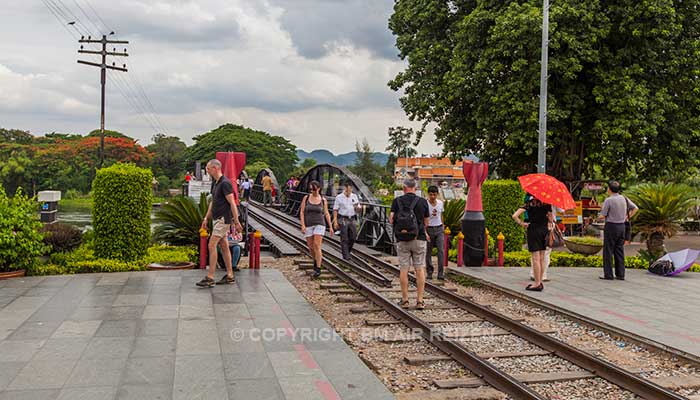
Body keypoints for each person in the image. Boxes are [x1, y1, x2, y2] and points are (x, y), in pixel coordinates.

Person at [197, 159, 243, 288]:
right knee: (224, 246)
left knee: (212, 245)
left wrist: (236, 221)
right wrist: (206, 218)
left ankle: (210, 277)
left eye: (208, 168)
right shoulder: (215, 183)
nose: (207, 170)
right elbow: (213, 202)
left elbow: (232, 203)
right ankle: (230, 275)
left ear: (216, 168)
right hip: (217, 219)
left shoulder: (225, 183)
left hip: (223, 219)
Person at [390, 178, 430, 310]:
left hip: (402, 239)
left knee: (404, 269)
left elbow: (391, 220)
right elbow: (426, 223)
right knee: (419, 269)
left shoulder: (397, 201)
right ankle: (419, 300)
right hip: (419, 238)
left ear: (404, 188)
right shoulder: (423, 202)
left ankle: (405, 300)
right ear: (415, 188)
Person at [597, 181, 638, 280]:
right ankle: (620, 274)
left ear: (609, 189)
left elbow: (603, 216)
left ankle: (609, 275)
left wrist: (598, 216)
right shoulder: (624, 198)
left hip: (611, 227)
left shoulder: (608, 200)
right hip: (621, 227)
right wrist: (627, 218)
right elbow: (636, 208)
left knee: (608, 251)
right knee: (619, 250)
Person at [512, 194, 553, 291]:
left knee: (535, 259)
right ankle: (540, 281)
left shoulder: (529, 204)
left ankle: (537, 283)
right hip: (544, 231)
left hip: (533, 231)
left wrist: (522, 223)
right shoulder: (547, 204)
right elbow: (550, 219)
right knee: (542, 258)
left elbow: (514, 216)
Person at [300, 180, 333, 278]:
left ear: (319, 189)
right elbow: (302, 212)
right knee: (310, 247)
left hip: (320, 224)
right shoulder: (306, 198)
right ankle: (315, 260)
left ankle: (318, 268)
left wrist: (330, 226)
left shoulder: (323, 200)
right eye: (310, 189)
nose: (312, 191)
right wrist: (302, 225)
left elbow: (326, 213)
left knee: (316, 245)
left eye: (314, 189)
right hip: (308, 224)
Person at [333, 181, 360, 260]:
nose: (349, 192)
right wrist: (335, 221)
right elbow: (335, 210)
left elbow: (358, 208)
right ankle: (346, 256)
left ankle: (347, 251)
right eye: (348, 190)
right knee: (344, 237)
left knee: (353, 236)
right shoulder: (339, 197)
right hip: (343, 218)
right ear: (345, 188)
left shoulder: (354, 196)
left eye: (351, 190)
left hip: (352, 218)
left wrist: (358, 208)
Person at [425, 185, 445, 280]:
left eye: (434, 194)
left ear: (437, 194)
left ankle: (440, 273)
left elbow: (441, 215)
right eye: (431, 195)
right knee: (428, 251)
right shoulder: (425, 204)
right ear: (428, 195)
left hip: (439, 229)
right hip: (429, 229)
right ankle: (429, 271)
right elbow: (423, 218)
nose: (433, 197)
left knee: (441, 251)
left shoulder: (440, 203)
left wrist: (443, 227)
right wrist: (425, 232)